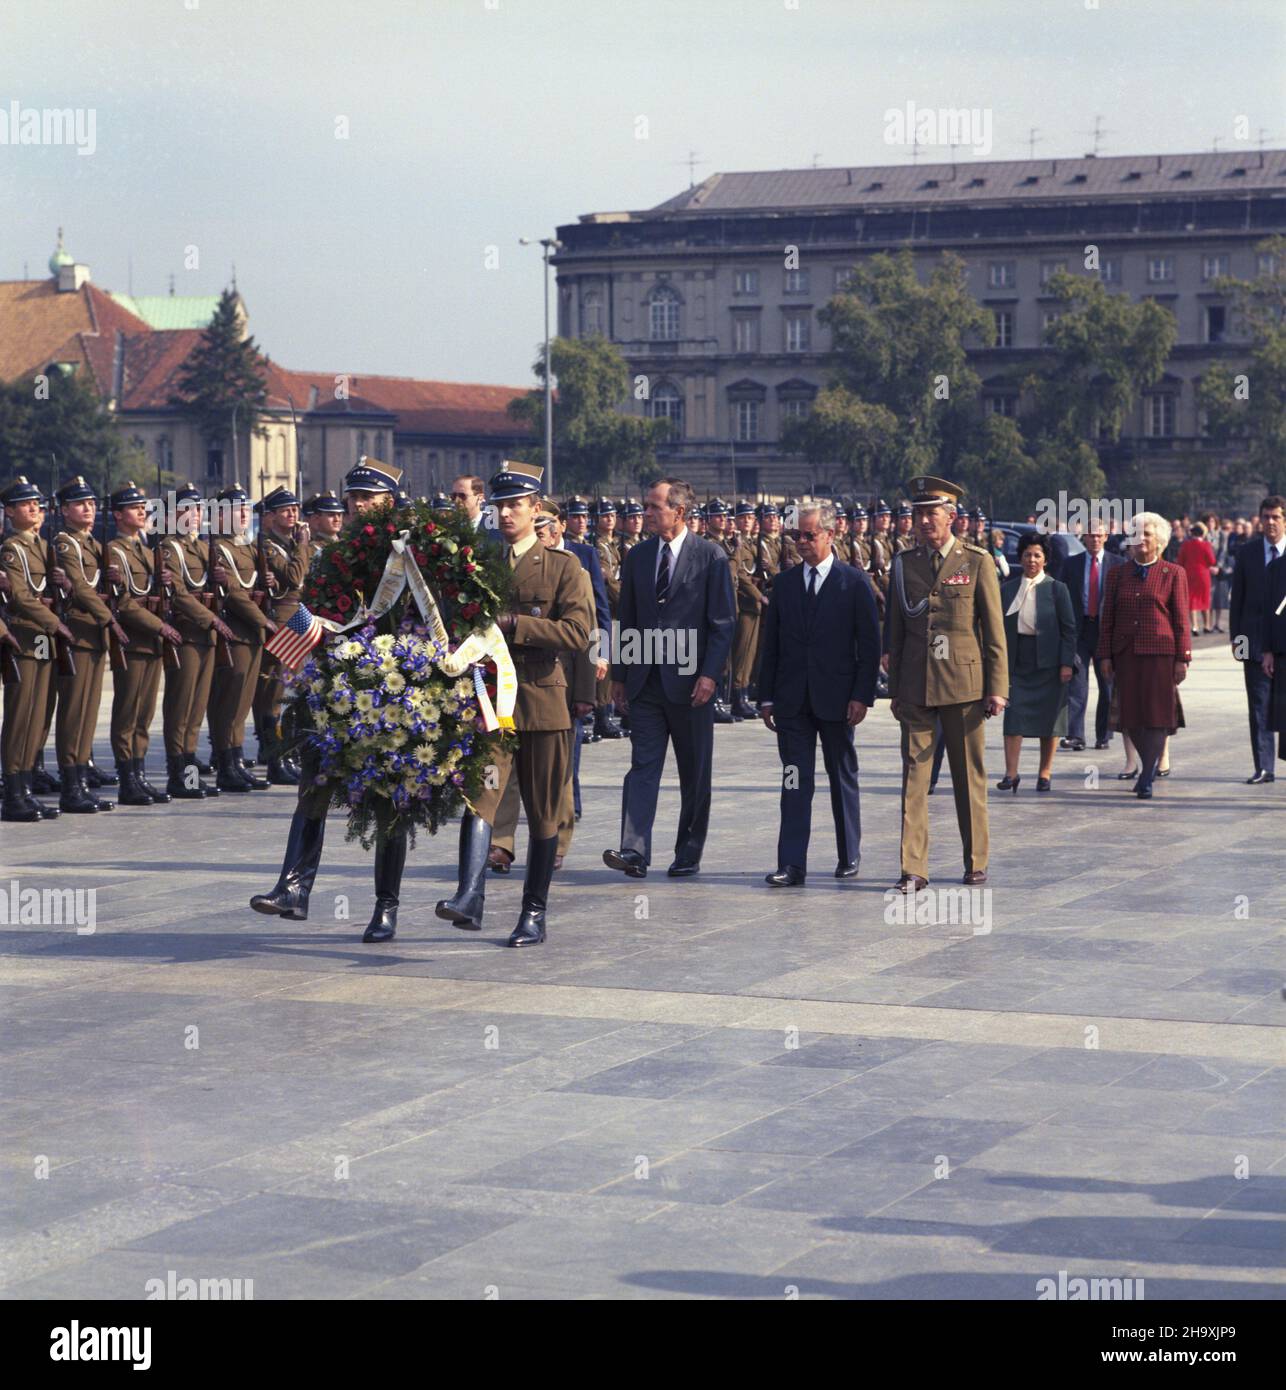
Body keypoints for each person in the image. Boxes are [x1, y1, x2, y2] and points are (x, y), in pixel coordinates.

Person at [434, 460, 592, 947]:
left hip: (543, 705)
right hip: (491, 707)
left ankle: (533, 913)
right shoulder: (478, 564)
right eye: (500, 506)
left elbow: (578, 632)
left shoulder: (564, 566)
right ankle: (470, 895)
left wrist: (514, 625)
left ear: (536, 509)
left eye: (515, 506)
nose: (505, 514)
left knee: (544, 812)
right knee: (478, 800)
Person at [251, 458, 400, 930]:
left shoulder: (405, 555)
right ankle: (294, 887)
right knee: (313, 785)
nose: (356, 506)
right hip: (335, 685)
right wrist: (291, 651)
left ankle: (386, 906)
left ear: (388, 503)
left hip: (389, 689)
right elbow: (309, 607)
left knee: (387, 802)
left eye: (367, 498)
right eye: (352, 497)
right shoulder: (334, 555)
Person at [602, 477, 735, 879]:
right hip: (646, 683)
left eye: (654, 507)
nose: (646, 513)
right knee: (642, 766)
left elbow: (723, 624)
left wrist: (710, 675)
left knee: (694, 772)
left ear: (679, 512)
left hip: (692, 684)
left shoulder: (711, 556)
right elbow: (627, 618)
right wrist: (620, 675)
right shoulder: (639, 556)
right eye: (646, 506)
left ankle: (688, 851)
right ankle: (634, 851)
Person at [884, 475, 1008, 891]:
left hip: (964, 684)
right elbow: (895, 631)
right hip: (917, 683)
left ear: (951, 517)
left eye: (930, 513)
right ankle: (913, 867)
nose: (922, 521)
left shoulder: (977, 561)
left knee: (967, 775)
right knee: (914, 778)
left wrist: (998, 687)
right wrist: (895, 688)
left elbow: (993, 631)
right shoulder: (903, 564)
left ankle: (975, 860)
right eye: (917, 514)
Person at [757, 501, 879, 884]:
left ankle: (849, 854)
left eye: (810, 535)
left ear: (830, 534)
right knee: (794, 778)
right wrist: (766, 697)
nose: (802, 543)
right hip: (793, 702)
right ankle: (791, 863)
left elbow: (869, 647)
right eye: (797, 535)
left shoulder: (855, 582)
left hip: (838, 700)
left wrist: (862, 696)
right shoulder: (785, 583)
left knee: (841, 776)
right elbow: (770, 644)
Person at [1096, 512, 1191, 800]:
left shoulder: (1174, 573)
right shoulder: (1117, 574)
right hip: (1125, 655)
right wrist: (1105, 655)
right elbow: (1107, 618)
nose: (1140, 539)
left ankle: (1147, 773)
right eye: (1135, 533)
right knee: (1130, 716)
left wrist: (1182, 657)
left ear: (1159, 541)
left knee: (1157, 716)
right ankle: (1146, 766)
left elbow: (1181, 618)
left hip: (1161, 654)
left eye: (1146, 534)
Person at [108, 480, 184, 806]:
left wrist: (165, 584)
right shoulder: (114, 550)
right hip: (135, 640)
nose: (142, 511)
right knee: (127, 712)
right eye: (134, 507)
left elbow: (153, 593)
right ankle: (127, 780)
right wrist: (160, 627)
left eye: (144, 507)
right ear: (118, 515)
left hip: (151, 641)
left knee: (145, 714)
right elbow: (123, 602)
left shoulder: (148, 551)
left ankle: (138, 775)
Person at [1, 475, 72, 821]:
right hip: (28, 636)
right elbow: (20, 596)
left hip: (43, 638)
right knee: (20, 716)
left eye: (38, 504)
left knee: (40, 713)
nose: (35, 509)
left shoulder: (44, 548)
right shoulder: (12, 549)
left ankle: (27, 785)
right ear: (10, 512)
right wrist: (54, 623)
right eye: (27, 504)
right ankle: (13, 791)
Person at [161, 482, 234, 799]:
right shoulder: (169, 548)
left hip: (206, 636)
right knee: (181, 709)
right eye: (188, 509)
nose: (196, 514)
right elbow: (178, 594)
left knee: (196, 711)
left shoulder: (203, 548)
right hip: (188, 634)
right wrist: (212, 619)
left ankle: (190, 775)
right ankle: (178, 775)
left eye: (198, 509)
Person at [52, 476, 120, 813]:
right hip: (78, 632)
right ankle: (70, 783)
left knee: (89, 712)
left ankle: (81, 778)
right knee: (74, 711)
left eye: (92, 504)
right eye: (81, 504)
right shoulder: (66, 544)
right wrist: (108, 616)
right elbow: (79, 587)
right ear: (65, 510)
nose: (89, 509)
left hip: (93, 635)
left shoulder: (93, 544)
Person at [208, 484, 275, 794]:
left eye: (246, 509)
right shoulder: (218, 548)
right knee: (228, 701)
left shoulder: (248, 548)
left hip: (253, 634)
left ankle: (236, 759)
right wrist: (264, 620)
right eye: (237, 509)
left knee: (244, 701)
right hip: (235, 631)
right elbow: (234, 593)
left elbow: (255, 586)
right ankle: (225, 763)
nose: (244, 514)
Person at [996, 533, 1076, 792]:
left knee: (1049, 722)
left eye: (1037, 555)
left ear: (1045, 559)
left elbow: (1069, 630)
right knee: (1014, 718)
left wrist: (1066, 663)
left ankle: (1045, 773)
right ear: (1020, 556)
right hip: (1017, 661)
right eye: (1028, 554)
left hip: (1049, 664)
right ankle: (1011, 773)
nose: (1032, 560)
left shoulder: (1056, 589)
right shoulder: (1007, 589)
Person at [1229, 495, 1286, 785]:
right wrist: (1238, 646)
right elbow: (1236, 601)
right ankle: (1264, 767)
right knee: (1258, 707)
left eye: (1276, 516)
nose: (1271, 522)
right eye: (1266, 517)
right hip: (1252, 644)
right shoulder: (1247, 553)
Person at [1061, 521, 1123, 751]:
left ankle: (1103, 735)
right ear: (1083, 538)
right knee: (1077, 684)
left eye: (1099, 536)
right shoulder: (1071, 565)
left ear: (1106, 537)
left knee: (1107, 684)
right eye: (1090, 536)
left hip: (1106, 632)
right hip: (1080, 631)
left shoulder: (1118, 565)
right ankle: (1075, 735)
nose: (1094, 540)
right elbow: (1062, 598)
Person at [1177, 521, 1217, 638]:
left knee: (1192, 600)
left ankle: (1194, 626)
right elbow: (1212, 561)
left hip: (1189, 574)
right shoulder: (1206, 545)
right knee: (1205, 599)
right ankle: (1207, 625)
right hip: (1203, 574)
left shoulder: (1185, 545)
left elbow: (1180, 560)